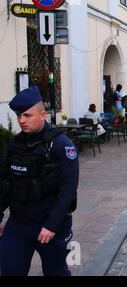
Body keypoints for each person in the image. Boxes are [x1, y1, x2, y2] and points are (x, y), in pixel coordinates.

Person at [0, 86, 79, 276]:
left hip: (50, 224)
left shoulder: (60, 145)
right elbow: (4, 183)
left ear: (42, 115)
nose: (21, 120)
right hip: (18, 223)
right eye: (19, 116)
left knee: (56, 272)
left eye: (27, 115)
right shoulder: (14, 145)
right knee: (10, 270)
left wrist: (51, 225)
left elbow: (68, 189)